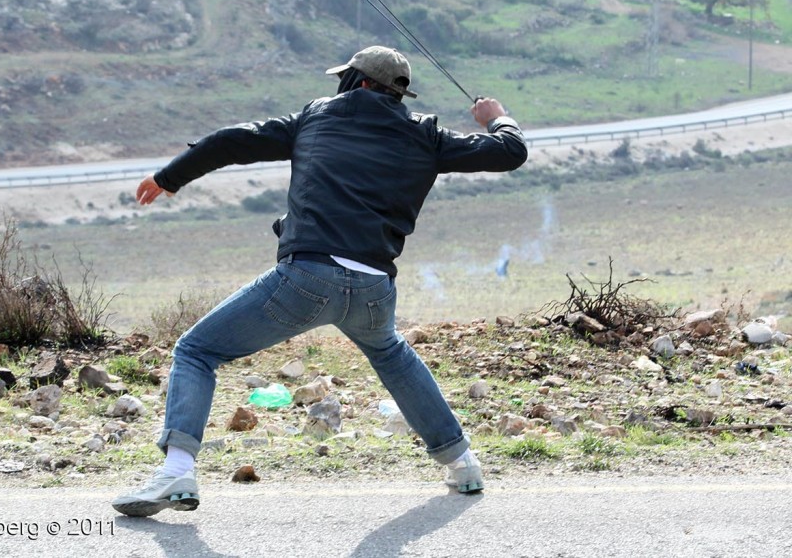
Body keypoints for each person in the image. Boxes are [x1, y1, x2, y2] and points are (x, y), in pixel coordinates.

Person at [111, 45, 528, 517]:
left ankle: (177, 471)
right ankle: (462, 463)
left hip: (308, 277)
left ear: (359, 82)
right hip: (373, 288)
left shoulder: (315, 117)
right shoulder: (426, 134)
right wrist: (497, 118)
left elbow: (232, 140)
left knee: (196, 350)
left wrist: (170, 177)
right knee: (391, 355)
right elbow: (510, 151)